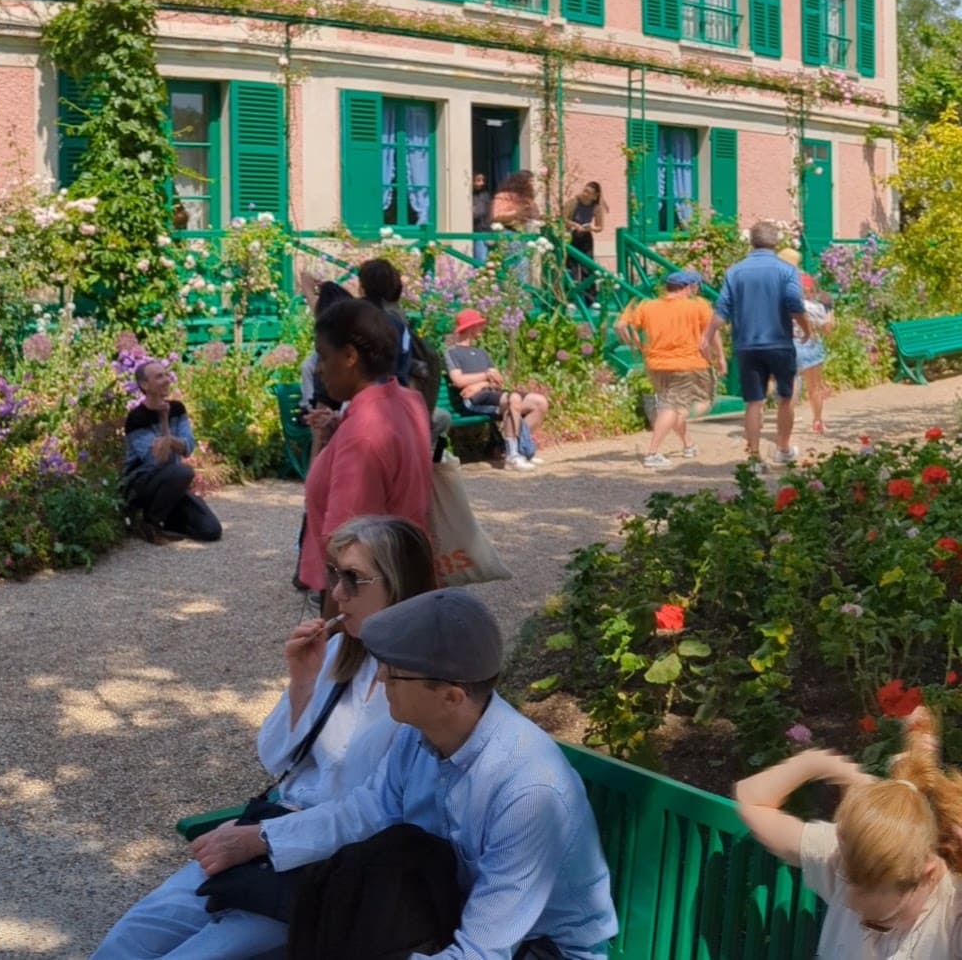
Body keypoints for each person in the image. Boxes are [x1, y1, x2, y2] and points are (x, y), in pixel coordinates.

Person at [181, 589, 617, 960]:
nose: (382, 674)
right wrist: (262, 838)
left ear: (450, 696)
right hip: (445, 916)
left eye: (396, 671)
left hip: (539, 949)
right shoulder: (423, 732)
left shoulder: (528, 793)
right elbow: (367, 812)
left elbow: (482, 952)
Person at [93, 516, 439, 960]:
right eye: (335, 575)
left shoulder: (425, 688)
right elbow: (277, 760)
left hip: (336, 872)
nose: (336, 593)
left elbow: (386, 814)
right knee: (125, 941)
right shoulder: (339, 653)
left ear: (399, 585)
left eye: (354, 579)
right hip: (271, 836)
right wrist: (302, 681)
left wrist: (263, 838)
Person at [734, 708, 962, 960]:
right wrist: (818, 763)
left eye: (877, 922)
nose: (854, 917)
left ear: (925, 875)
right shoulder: (846, 860)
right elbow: (751, 800)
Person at [295, 298, 433, 594]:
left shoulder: (361, 433)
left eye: (323, 356)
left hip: (369, 598)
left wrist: (333, 631)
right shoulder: (408, 401)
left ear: (349, 356)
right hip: (406, 574)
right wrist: (337, 427)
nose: (319, 369)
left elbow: (346, 549)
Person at [718, 223, 809, 466]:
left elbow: (721, 310)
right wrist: (807, 329)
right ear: (776, 242)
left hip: (746, 344)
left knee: (753, 402)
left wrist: (707, 336)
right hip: (779, 341)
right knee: (786, 397)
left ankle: (754, 457)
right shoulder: (786, 270)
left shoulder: (734, 272)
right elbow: (794, 303)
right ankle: (783, 448)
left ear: (751, 242)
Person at [620, 271, 720, 472]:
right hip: (687, 364)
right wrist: (718, 359)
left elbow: (621, 326)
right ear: (689, 287)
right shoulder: (698, 306)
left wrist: (638, 346)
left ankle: (688, 443)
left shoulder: (648, 306)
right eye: (696, 286)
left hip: (656, 365)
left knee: (672, 404)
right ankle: (652, 453)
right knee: (687, 405)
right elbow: (709, 336)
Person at [120, 357, 225, 544]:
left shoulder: (177, 409)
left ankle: (165, 518)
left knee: (211, 531)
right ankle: (149, 523)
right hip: (141, 485)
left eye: (166, 374)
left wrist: (167, 440)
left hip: (171, 483)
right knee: (183, 471)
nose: (167, 379)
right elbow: (158, 460)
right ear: (145, 384)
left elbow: (189, 447)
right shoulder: (136, 418)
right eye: (159, 377)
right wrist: (163, 421)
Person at [442, 310, 549, 472]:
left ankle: (519, 449)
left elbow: (498, 380)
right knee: (512, 400)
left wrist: (479, 384)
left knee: (539, 402)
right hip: (473, 400)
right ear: (471, 328)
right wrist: (486, 377)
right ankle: (512, 457)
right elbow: (459, 381)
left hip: (487, 392)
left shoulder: (482, 353)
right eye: (479, 325)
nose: (482, 328)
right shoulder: (452, 353)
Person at [355, 258, 441, 416]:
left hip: (358, 400)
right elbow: (403, 363)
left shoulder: (348, 315)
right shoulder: (397, 323)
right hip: (392, 401)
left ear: (362, 286)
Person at [796, 265, 838, 448]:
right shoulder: (818, 307)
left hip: (791, 344)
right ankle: (817, 421)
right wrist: (830, 311)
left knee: (788, 388)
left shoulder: (786, 304)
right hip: (811, 346)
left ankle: (784, 424)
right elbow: (828, 329)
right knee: (814, 388)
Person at [564, 181, 604, 300]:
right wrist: (575, 225)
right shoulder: (573, 202)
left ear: (595, 196)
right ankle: (571, 297)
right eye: (585, 190)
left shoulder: (596, 208)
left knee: (588, 267)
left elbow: (600, 227)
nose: (585, 194)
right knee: (572, 267)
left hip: (586, 236)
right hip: (572, 235)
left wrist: (591, 228)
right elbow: (563, 218)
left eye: (589, 192)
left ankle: (590, 299)